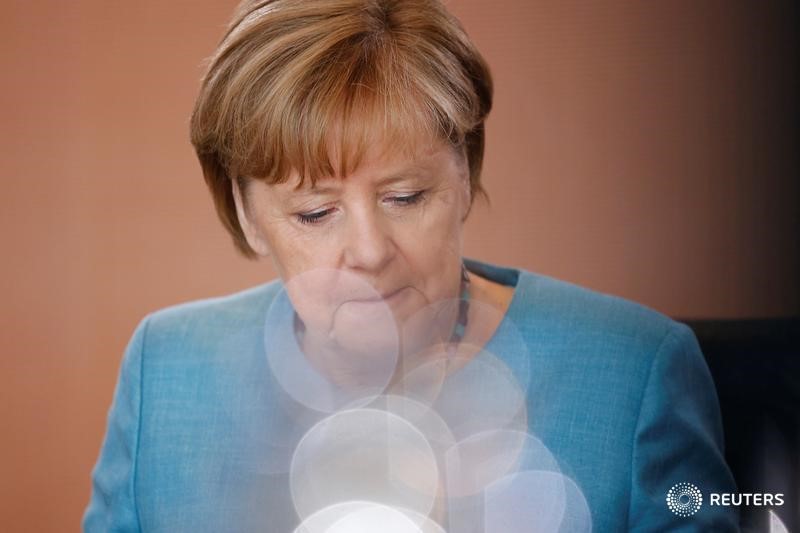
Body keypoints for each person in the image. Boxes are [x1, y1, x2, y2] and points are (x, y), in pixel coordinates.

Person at [83, 1, 739, 531]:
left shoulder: (638, 372)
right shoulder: (163, 369)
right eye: (316, 213)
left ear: (465, 177)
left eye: (405, 197)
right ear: (248, 214)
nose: (368, 251)